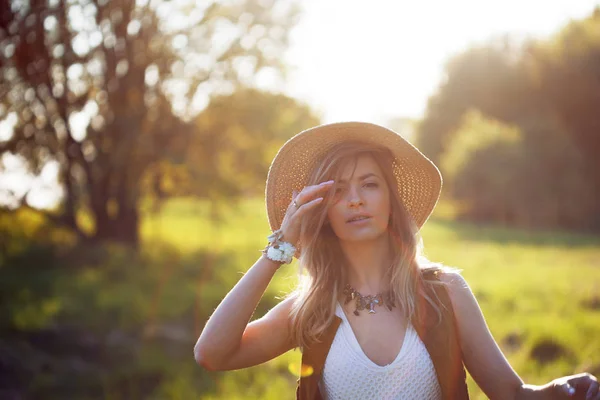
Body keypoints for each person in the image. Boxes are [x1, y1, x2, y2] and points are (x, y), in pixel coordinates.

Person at [194, 122, 599, 399]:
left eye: (369, 184)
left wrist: (559, 390)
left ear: (391, 200)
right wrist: (279, 248)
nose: (355, 199)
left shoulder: (446, 292)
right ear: (323, 211)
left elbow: (512, 394)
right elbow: (212, 354)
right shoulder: (312, 310)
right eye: (338, 190)